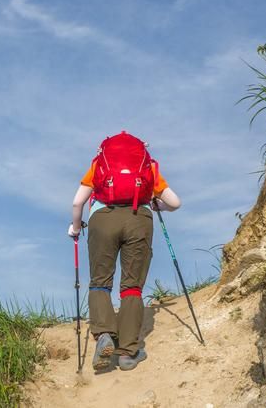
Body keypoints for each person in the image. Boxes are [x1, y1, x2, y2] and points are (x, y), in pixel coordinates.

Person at [68, 131, 181, 371]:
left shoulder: (99, 164)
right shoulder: (147, 166)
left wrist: (75, 228)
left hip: (102, 217)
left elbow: (77, 202)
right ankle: (128, 353)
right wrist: (155, 203)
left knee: (100, 281)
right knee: (132, 286)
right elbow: (174, 203)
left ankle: (105, 334)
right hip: (138, 217)